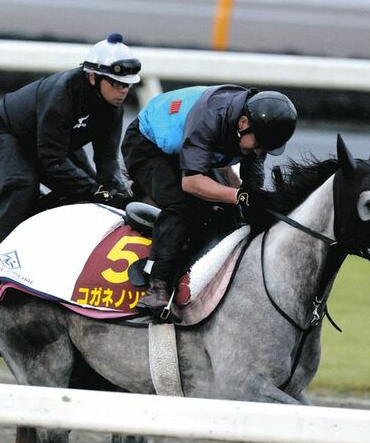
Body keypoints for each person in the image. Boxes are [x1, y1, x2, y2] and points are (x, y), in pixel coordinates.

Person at [124, 86, 297, 318]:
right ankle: (157, 286)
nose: (260, 152)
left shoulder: (257, 129)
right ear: (243, 123)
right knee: (182, 206)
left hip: (193, 150)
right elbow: (192, 183)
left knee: (235, 212)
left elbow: (250, 187)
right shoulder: (209, 117)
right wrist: (240, 196)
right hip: (147, 145)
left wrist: (253, 203)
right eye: (259, 145)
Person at [0, 33, 139, 250]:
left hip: (55, 141)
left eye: (127, 85)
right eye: (116, 83)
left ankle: (38, 226)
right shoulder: (63, 94)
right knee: (24, 185)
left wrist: (116, 196)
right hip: (9, 133)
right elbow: (51, 160)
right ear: (93, 77)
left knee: (90, 188)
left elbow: (106, 160)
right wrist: (94, 189)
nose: (123, 91)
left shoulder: (113, 107)